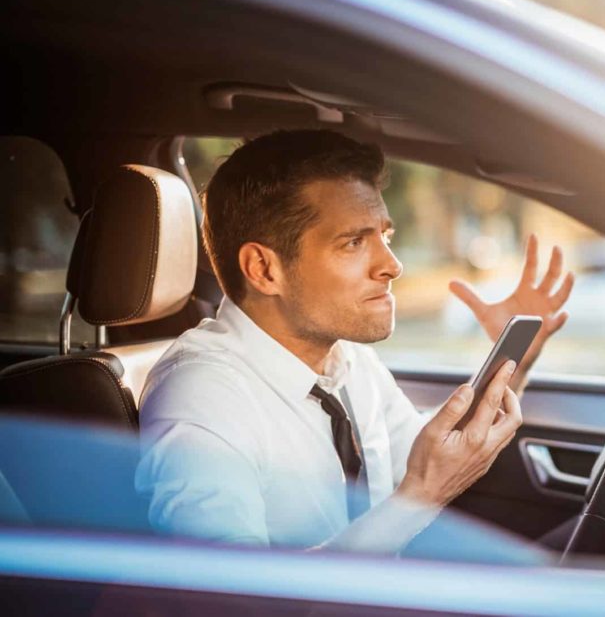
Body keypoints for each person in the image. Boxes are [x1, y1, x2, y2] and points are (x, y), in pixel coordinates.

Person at [134, 129, 574, 553]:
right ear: (264, 269)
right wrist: (418, 498)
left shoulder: (347, 359)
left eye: (386, 236)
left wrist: (512, 361)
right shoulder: (201, 396)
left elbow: (428, 456)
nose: (392, 265)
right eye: (353, 243)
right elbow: (230, 592)